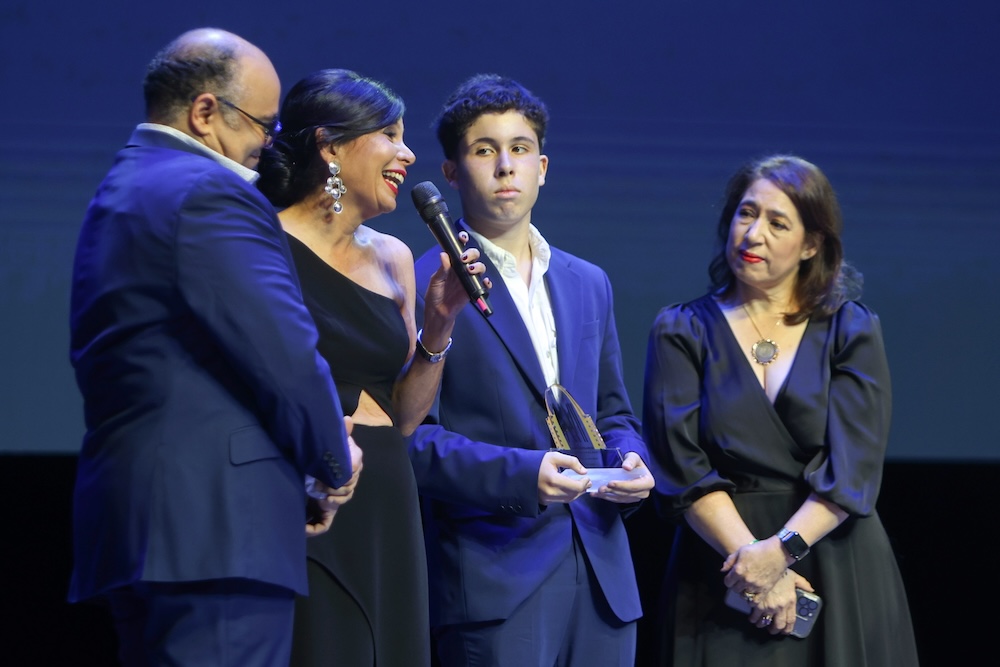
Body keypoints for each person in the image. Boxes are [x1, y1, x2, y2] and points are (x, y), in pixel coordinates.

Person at [67, 29, 362, 667]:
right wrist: (332, 464)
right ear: (205, 113)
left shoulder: (120, 191)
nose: (269, 144)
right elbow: (284, 354)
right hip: (214, 532)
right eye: (264, 122)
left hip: (143, 526)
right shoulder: (209, 193)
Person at [407, 74, 655, 667]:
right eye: (484, 150)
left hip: (601, 570)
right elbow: (412, 440)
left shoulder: (587, 282)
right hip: (495, 577)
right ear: (451, 172)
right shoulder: (423, 283)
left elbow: (613, 411)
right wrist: (524, 474)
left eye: (519, 150)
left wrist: (633, 460)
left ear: (542, 166)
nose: (505, 168)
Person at [642, 154, 919, 665]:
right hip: (721, 565)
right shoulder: (681, 329)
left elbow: (854, 469)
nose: (753, 234)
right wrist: (755, 565)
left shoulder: (850, 329)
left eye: (777, 222)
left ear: (812, 244)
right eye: (746, 214)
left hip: (836, 557)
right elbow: (682, 468)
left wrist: (779, 553)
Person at [256, 69, 488, 667]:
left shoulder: (391, 257)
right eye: (389, 134)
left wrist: (438, 326)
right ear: (330, 145)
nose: (407, 153)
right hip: (311, 495)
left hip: (387, 492)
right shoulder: (259, 245)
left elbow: (406, 416)